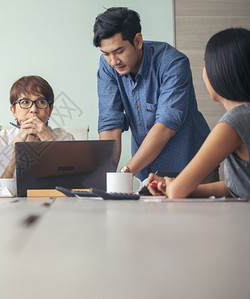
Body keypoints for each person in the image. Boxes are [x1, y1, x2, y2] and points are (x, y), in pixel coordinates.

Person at [93, 7, 217, 181]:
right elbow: (110, 122)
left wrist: (125, 173)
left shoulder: (173, 63)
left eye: (119, 51)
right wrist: (103, 176)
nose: (113, 61)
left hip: (192, 168)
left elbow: (166, 125)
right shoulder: (108, 66)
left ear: (138, 41)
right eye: (106, 54)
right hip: (146, 174)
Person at [147, 28, 250, 199]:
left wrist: (176, 186)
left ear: (221, 70)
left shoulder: (235, 121)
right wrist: (178, 186)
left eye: (206, 64)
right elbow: (239, 186)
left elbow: (176, 193)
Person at [0, 75, 74, 178]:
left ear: (50, 110)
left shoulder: (65, 139)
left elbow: (72, 184)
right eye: (25, 102)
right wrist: (15, 147)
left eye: (41, 102)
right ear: (13, 111)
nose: (33, 109)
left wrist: (49, 141)